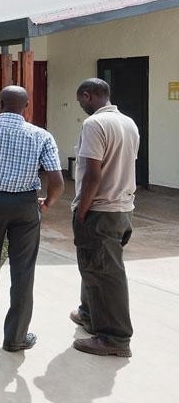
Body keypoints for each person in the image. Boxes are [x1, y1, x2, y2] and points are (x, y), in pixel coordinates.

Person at [0, 85, 63, 352]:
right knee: (23, 269)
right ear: (26, 107)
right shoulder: (41, 136)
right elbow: (57, 181)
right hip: (25, 206)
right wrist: (48, 202)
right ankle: (15, 338)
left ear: (0, 103)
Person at [69, 78, 138, 358]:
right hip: (123, 207)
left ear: (88, 95)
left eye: (81, 101)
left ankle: (115, 337)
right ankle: (89, 314)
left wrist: (82, 210)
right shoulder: (128, 123)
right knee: (95, 265)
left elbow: (93, 174)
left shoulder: (94, 124)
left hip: (100, 209)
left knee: (107, 273)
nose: (81, 106)